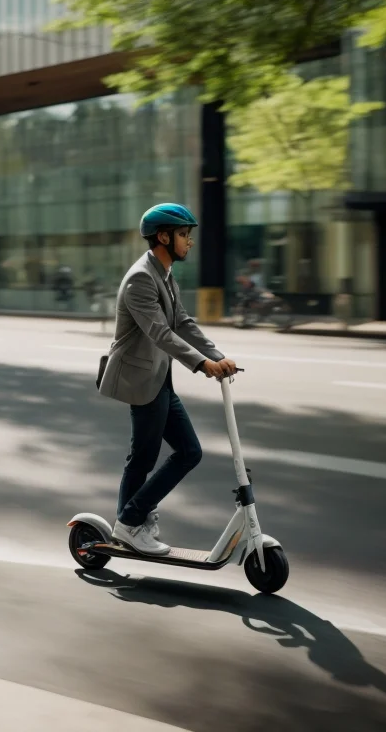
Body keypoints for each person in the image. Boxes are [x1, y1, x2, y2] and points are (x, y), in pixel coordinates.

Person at [97, 203, 237, 555]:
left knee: (186, 452)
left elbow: (182, 323)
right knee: (146, 458)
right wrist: (201, 364)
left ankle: (128, 522)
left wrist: (216, 355)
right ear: (163, 236)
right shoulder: (141, 278)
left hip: (158, 378)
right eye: (183, 235)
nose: (189, 242)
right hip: (140, 379)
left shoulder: (165, 274)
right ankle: (130, 522)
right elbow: (160, 333)